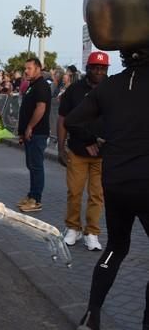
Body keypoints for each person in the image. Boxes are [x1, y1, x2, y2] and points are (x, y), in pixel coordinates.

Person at [65, 47, 149, 330]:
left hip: (116, 180)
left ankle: (92, 314)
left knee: (116, 245)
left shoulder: (110, 86)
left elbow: (72, 120)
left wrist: (92, 139)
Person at [57, 52, 109, 251]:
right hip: (78, 151)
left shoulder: (111, 90)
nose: (99, 71)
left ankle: (92, 232)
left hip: (103, 154)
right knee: (75, 192)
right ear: (87, 68)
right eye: (95, 67)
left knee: (98, 195)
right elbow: (63, 120)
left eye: (103, 68)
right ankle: (73, 228)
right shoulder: (74, 91)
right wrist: (61, 148)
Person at [16, 57, 51, 213]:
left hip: (38, 133)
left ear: (38, 69)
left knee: (36, 166)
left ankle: (36, 200)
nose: (26, 71)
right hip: (30, 134)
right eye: (26, 68)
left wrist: (30, 127)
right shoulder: (32, 86)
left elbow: (41, 108)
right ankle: (31, 195)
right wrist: (23, 132)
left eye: (29, 68)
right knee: (31, 165)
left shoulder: (42, 86)